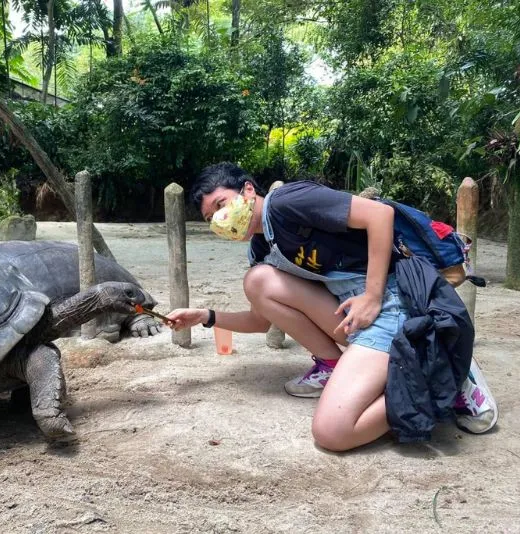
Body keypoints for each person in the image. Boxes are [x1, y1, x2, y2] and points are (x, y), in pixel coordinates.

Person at [166, 162, 498, 452]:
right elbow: (260, 319)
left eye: (221, 204)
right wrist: (205, 317)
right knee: (257, 281)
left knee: (332, 432)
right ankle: (335, 366)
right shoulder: (260, 246)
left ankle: (442, 368)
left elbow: (380, 215)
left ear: (248, 190)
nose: (220, 220)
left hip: (391, 300)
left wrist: (372, 296)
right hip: (350, 309)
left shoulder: (286, 203)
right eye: (212, 217)